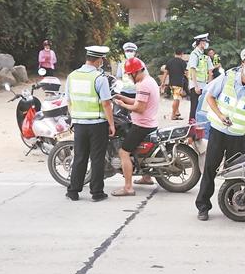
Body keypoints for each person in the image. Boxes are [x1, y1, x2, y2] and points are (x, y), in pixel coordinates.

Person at [196, 46, 245, 221]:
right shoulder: (227, 78)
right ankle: (203, 206)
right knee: (210, 169)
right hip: (219, 132)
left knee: (235, 171)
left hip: (238, 136)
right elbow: (209, 96)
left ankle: (233, 204)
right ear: (242, 64)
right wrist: (221, 115)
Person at [65, 46, 115, 202]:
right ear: (99, 60)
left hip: (79, 124)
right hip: (97, 124)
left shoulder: (72, 76)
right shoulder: (99, 78)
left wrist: (74, 119)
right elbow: (106, 104)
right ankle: (97, 193)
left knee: (80, 157)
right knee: (97, 159)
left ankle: (73, 191)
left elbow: (69, 101)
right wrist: (111, 124)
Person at [111, 57, 160, 196]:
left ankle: (128, 187)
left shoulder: (142, 85)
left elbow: (139, 108)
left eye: (129, 74)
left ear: (136, 72)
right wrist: (123, 97)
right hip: (150, 122)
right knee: (137, 150)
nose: (129, 77)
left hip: (142, 124)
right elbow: (139, 101)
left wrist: (123, 105)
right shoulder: (149, 81)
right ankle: (146, 177)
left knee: (124, 152)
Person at [188, 33, 213, 123]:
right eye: (205, 42)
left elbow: (210, 72)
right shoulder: (194, 54)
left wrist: (209, 85)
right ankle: (191, 128)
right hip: (196, 84)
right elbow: (193, 70)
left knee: (201, 107)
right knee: (194, 106)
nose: (206, 44)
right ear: (201, 42)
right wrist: (196, 86)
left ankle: (198, 127)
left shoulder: (203, 55)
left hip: (204, 85)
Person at [161, 48, 187, 120]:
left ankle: (177, 112)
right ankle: (173, 115)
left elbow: (165, 73)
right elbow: (186, 73)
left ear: (174, 53)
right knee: (176, 99)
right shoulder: (182, 62)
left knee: (176, 98)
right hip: (178, 83)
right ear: (182, 53)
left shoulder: (169, 61)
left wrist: (163, 82)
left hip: (171, 83)